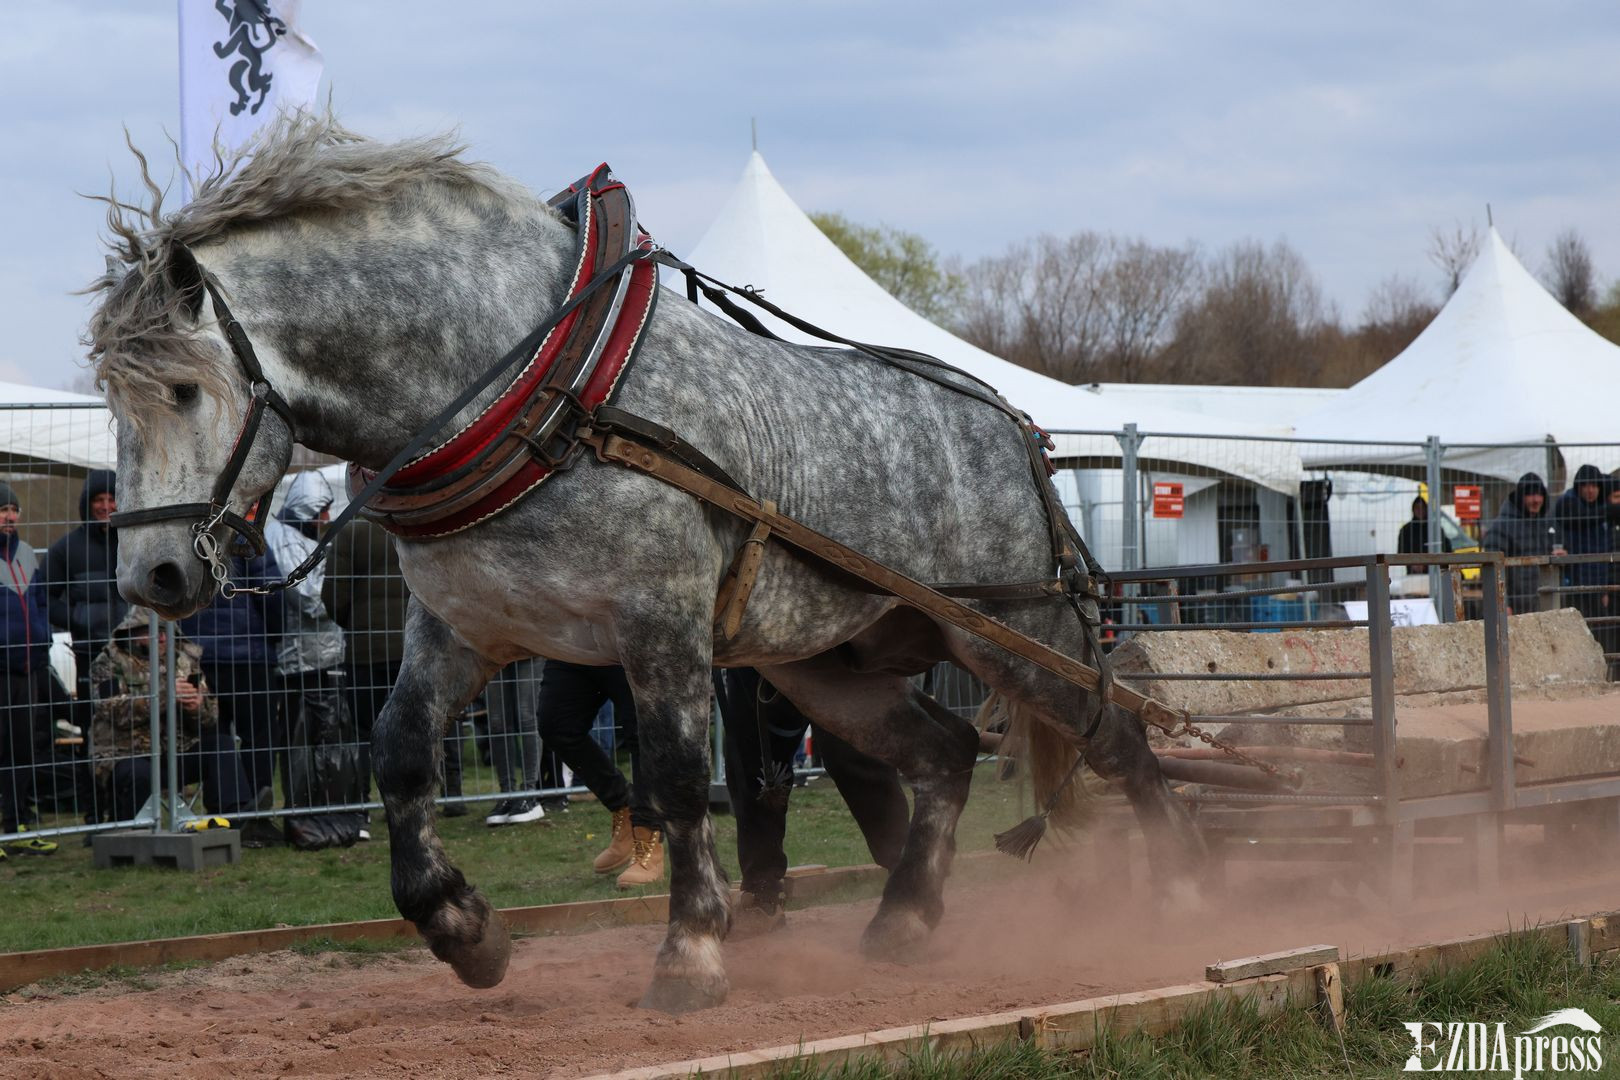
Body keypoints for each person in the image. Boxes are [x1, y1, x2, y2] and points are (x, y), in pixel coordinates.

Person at [714, 667, 910, 932]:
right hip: (753, 663)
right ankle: (762, 893)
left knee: (855, 757)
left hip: (832, 658)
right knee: (751, 763)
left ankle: (909, 878)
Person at [266, 472, 365, 847]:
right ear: (306, 509)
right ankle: (308, 819)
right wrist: (344, 588)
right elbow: (309, 598)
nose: (326, 517)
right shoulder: (283, 538)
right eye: (322, 510)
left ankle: (334, 816)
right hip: (302, 663)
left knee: (331, 741)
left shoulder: (305, 537)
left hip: (325, 657)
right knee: (306, 746)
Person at [90, 607, 256, 825]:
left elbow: (209, 719)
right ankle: (130, 832)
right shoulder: (109, 663)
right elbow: (114, 712)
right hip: (124, 754)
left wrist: (196, 708)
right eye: (152, 631)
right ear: (132, 632)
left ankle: (235, 817)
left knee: (221, 745)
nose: (161, 638)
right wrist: (166, 696)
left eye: (165, 631)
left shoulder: (184, 660)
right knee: (139, 774)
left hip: (175, 753)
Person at [178, 541, 284, 844]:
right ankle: (255, 814)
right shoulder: (244, 539)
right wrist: (273, 635)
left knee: (215, 737)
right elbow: (270, 592)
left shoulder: (189, 537)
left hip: (197, 654)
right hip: (248, 653)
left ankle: (224, 813)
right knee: (259, 738)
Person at [536, 660, 661, 888]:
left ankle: (648, 841)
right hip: (572, 647)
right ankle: (622, 804)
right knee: (555, 725)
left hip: (625, 651)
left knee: (641, 732)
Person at [321, 515, 408, 815]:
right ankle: (414, 801)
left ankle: (361, 802)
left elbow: (333, 594)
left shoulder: (350, 531)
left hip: (364, 651)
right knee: (410, 728)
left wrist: (355, 622)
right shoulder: (410, 524)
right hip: (411, 646)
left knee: (362, 731)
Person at [0, 483, 59, 853]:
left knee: (23, 751)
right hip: (1, 670)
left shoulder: (25, 553)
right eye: (2, 510)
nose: (9, 516)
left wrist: (43, 641)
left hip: (28, 668)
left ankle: (16, 825)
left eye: (13, 509)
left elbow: (39, 602)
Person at [40, 469, 126, 701]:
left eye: (112, 498)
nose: (106, 506)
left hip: (137, 652)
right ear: (86, 504)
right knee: (93, 716)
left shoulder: (134, 544)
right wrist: (78, 618)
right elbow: (43, 597)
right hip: (90, 651)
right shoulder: (65, 549)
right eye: (98, 499)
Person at [1482, 472, 1565, 615]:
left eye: (1539, 495)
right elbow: (1492, 569)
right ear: (1520, 497)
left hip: (1546, 605)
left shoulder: (1548, 524)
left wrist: (1563, 557)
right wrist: (1503, 604)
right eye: (1530, 495)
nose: (1536, 500)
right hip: (1516, 609)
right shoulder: (1501, 526)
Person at [1556, 464, 1615, 657]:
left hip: (1598, 585)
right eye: (1586, 485)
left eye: (1595, 486)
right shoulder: (1569, 505)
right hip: (1575, 583)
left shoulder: (1602, 512)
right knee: (1577, 634)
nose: (1591, 490)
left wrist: (1605, 588)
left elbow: (1606, 552)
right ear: (1578, 487)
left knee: (1602, 634)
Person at [1395, 494, 1452, 574]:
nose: (1420, 510)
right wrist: (1412, 564)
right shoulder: (1406, 530)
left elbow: (1446, 548)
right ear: (1413, 510)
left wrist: (1439, 559)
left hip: (1435, 572)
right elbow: (1401, 553)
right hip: (1414, 574)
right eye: (1417, 508)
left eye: (1422, 508)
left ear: (1426, 509)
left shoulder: (1435, 529)